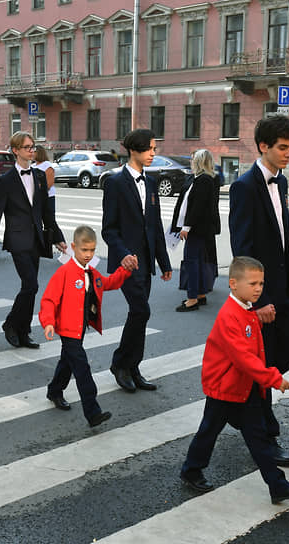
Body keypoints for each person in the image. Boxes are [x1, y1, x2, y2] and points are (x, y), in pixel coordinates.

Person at [179, 256, 289, 505]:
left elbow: (253, 352)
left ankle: (277, 486)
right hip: (224, 388)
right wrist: (272, 378)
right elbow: (244, 358)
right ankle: (191, 470)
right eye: (253, 283)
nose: (258, 288)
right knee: (210, 431)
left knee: (256, 437)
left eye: (261, 283)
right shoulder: (231, 315)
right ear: (233, 284)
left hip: (241, 387)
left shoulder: (246, 310)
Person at [229, 115, 289, 468]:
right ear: (263, 147)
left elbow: (281, 239)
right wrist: (257, 299)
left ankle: (235, 410)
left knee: (286, 354)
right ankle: (265, 436)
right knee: (264, 367)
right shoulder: (245, 187)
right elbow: (242, 249)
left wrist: (285, 288)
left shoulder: (281, 182)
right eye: (283, 148)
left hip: (282, 289)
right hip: (263, 295)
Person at [0, 131, 67, 349]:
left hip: (37, 239)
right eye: (27, 147)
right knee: (31, 284)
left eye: (33, 146)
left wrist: (58, 237)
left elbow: (47, 211)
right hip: (17, 240)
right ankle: (11, 324)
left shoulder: (38, 176)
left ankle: (23, 331)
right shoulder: (6, 180)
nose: (32, 150)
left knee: (31, 287)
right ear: (16, 150)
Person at [39, 225, 133, 427]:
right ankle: (93, 412)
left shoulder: (92, 273)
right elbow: (48, 300)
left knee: (67, 362)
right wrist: (48, 323)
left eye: (92, 250)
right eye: (84, 250)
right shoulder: (65, 272)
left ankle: (54, 390)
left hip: (80, 328)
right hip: (67, 330)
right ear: (73, 247)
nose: (88, 255)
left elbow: (108, 283)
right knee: (81, 368)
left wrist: (124, 270)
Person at [101, 128, 172, 393]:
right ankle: (120, 363)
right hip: (126, 263)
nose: (154, 153)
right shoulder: (115, 182)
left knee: (139, 315)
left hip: (146, 262)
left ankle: (133, 367)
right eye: (149, 148)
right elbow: (108, 229)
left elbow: (154, 226)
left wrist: (164, 263)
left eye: (154, 148)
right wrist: (123, 254)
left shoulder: (151, 184)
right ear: (134, 150)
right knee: (141, 311)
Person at [171, 149, 220, 312]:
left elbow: (198, 207)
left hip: (197, 230)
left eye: (193, 160)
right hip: (200, 230)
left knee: (192, 262)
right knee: (197, 262)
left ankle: (192, 299)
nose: (191, 162)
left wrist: (186, 227)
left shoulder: (204, 180)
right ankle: (200, 295)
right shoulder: (200, 178)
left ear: (199, 162)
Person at [32, 145, 56, 213]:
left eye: (34, 152)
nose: (32, 154)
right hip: (35, 197)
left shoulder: (47, 165)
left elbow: (49, 183)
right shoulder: (32, 166)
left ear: (39, 153)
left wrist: (37, 187)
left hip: (47, 197)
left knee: (49, 220)